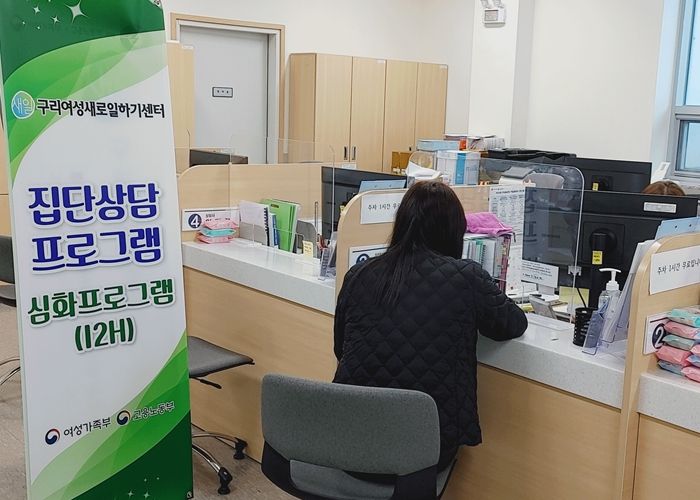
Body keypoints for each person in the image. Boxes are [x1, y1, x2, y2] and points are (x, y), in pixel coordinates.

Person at [333, 180, 527, 475]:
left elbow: (340, 348)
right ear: (454, 231)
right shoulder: (466, 277)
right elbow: (513, 323)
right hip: (425, 453)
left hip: (350, 443)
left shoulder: (360, 273)